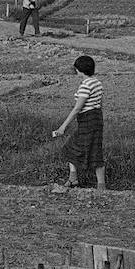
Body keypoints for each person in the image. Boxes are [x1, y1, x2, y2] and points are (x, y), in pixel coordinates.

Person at [51, 55, 105, 190]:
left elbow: (77, 108)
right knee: (82, 148)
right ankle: (77, 180)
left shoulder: (85, 86)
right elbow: (99, 103)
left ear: (79, 70)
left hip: (88, 121)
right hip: (96, 119)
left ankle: (97, 186)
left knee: (83, 150)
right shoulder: (97, 82)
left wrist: (63, 127)